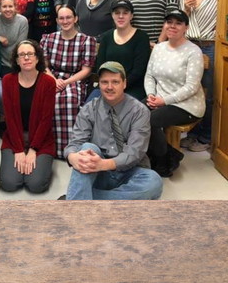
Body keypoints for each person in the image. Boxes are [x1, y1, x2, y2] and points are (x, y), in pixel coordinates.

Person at [63, 61, 163, 200]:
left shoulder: (139, 111)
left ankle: (83, 198)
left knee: (153, 182)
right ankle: (85, 203)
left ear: (124, 83)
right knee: (86, 149)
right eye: (104, 82)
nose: (109, 87)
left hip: (129, 171)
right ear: (99, 84)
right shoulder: (89, 109)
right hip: (97, 172)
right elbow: (75, 143)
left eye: (115, 82)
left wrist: (104, 164)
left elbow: (135, 152)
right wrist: (72, 157)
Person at [144, 8, 205, 177]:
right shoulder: (159, 48)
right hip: (159, 98)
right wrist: (150, 94)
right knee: (134, 112)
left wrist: (164, 101)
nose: (173, 26)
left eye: (178, 23)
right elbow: (149, 75)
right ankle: (170, 155)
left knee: (150, 120)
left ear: (186, 27)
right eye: (169, 22)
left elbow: (192, 87)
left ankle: (163, 163)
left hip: (187, 104)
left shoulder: (193, 51)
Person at [0, 40, 56, 193]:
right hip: (15, 137)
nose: (26, 58)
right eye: (22, 55)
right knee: (9, 184)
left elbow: (46, 120)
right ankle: (21, 161)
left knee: (35, 185)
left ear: (37, 58)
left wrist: (33, 150)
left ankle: (39, 165)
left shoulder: (48, 82)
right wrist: (18, 150)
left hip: (40, 139)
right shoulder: (8, 81)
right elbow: (9, 118)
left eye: (30, 54)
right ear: (16, 60)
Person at [40, 5, 96, 158]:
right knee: (46, 98)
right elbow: (43, 65)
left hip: (75, 79)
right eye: (62, 18)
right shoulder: (49, 38)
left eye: (69, 17)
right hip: (51, 76)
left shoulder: (86, 40)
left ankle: (70, 149)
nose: (65, 21)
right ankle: (48, 146)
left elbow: (86, 70)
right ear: (57, 20)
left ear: (76, 18)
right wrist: (54, 80)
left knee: (68, 99)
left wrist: (65, 83)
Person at [179, 0, 217, 152]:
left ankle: (206, 136)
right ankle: (192, 134)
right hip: (190, 45)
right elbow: (180, 24)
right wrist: (186, 9)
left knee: (208, 93)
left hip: (210, 46)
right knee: (192, 91)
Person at [88, 0, 150, 102]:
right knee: (88, 110)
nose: (121, 16)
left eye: (125, 13)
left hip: (132, 88)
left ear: (131, 16)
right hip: (106, 86)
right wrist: (109, 85)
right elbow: (100, 66)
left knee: (120, 113)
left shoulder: (141, 37)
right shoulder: (107, 37)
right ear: (112, 15)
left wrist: (119, 86)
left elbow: (139, 70)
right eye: (117, 13)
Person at [0, 0, 29, 78]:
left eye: (10, 6)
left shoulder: (22, 21)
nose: (8, 9)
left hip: (16, 62)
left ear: (15, 7)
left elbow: (20, 47)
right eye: (4, 6)